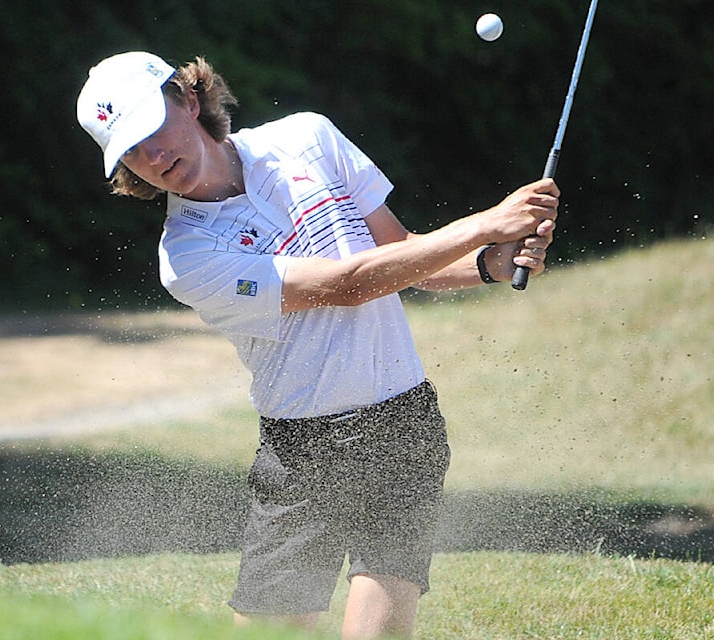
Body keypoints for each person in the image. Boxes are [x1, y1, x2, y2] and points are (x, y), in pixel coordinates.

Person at [77, 51, 558, 639]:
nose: (152, 156)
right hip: (300, 455)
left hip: (401, 426)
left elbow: (403, 254)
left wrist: (487, 263)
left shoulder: (306, 136)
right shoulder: (186, 257)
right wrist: (484, 225)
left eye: (154, 129)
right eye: (131, 150)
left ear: (189, 100)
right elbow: (347, 285)